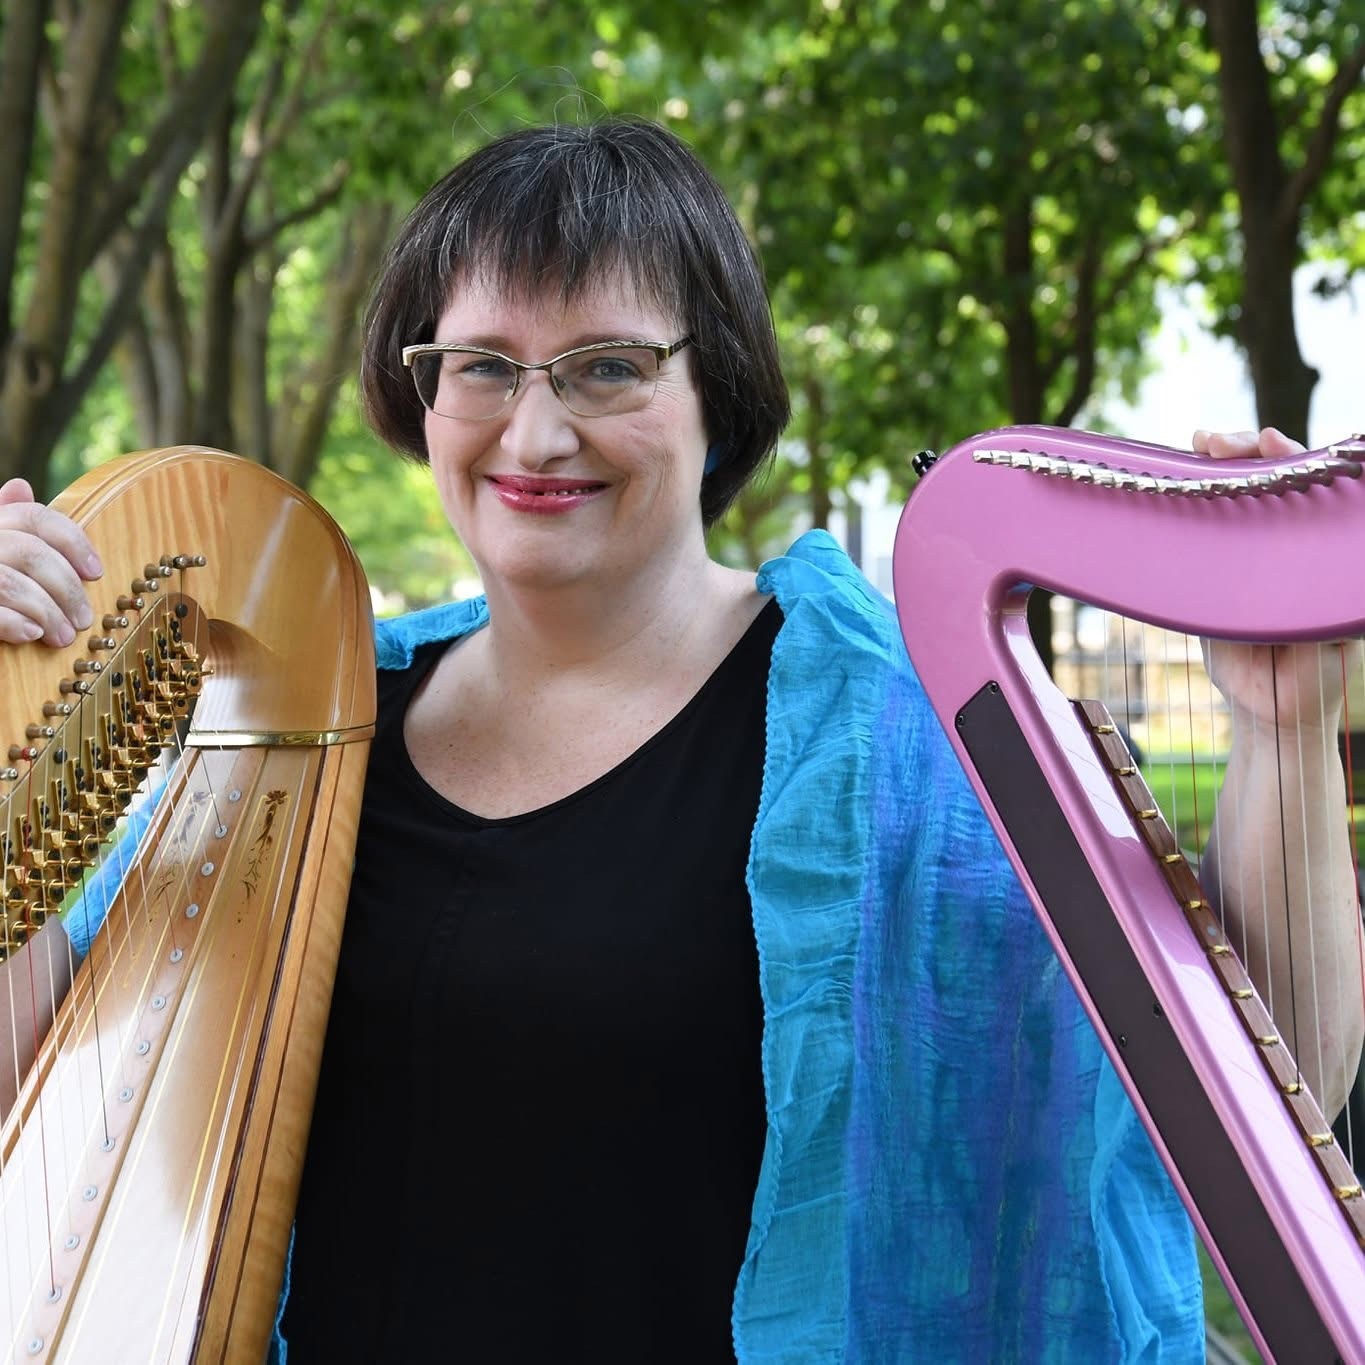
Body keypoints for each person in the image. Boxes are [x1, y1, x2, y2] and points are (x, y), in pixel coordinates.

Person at [0, 118, 1361, 1362]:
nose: (535, 429)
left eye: (606, 366)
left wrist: (1280, 731)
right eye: (481, 364)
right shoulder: (310, 722)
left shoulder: (903, 742)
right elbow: (42, 1092)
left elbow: (1260, 1072)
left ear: (719, 394)